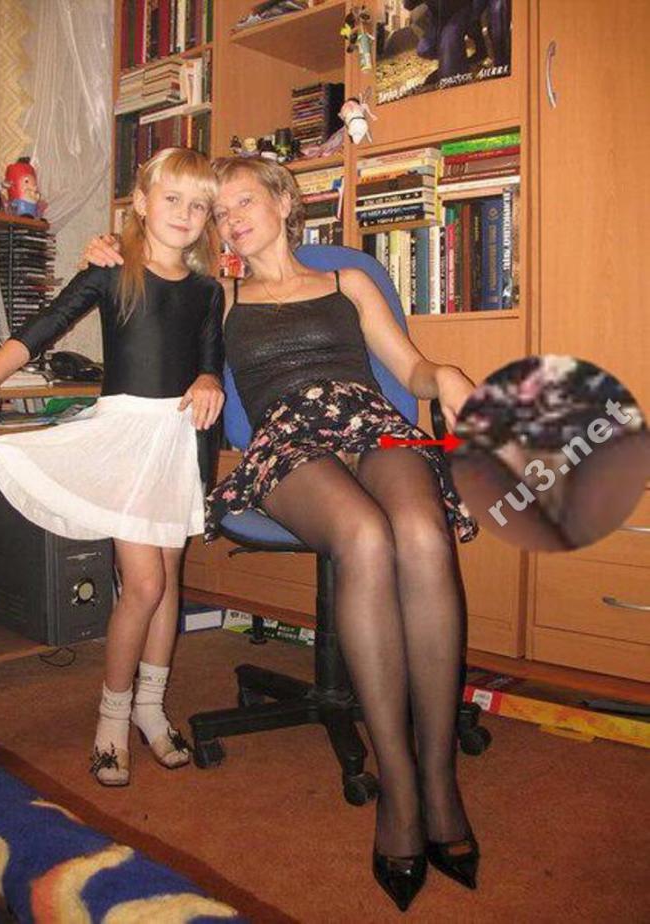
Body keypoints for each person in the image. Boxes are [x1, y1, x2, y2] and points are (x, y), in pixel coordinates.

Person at [84, 155, 480, 910]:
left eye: (242, 202)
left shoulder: (348, 281)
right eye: (220, 211)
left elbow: (412, 369)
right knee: (365, 537)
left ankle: (439, 780)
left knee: (423, 533)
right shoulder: (218, 294)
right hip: (288, 440)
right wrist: (109, 249)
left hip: (367, 420)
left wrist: (449, 376)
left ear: (283, 202)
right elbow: (150, 283)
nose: (229, 219)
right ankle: (399, 789)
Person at [0, 148, 225, 788]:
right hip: (126, 439)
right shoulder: (110, 270)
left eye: (198, 205)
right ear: (142, 203)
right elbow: (43, 326)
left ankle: (150, 708)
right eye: (172, 199)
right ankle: (111, 717)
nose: (184, 213)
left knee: (168, 578)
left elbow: (210, 358)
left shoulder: (209, 290)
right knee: (144, 585)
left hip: (178, 441)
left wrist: (210, 378)